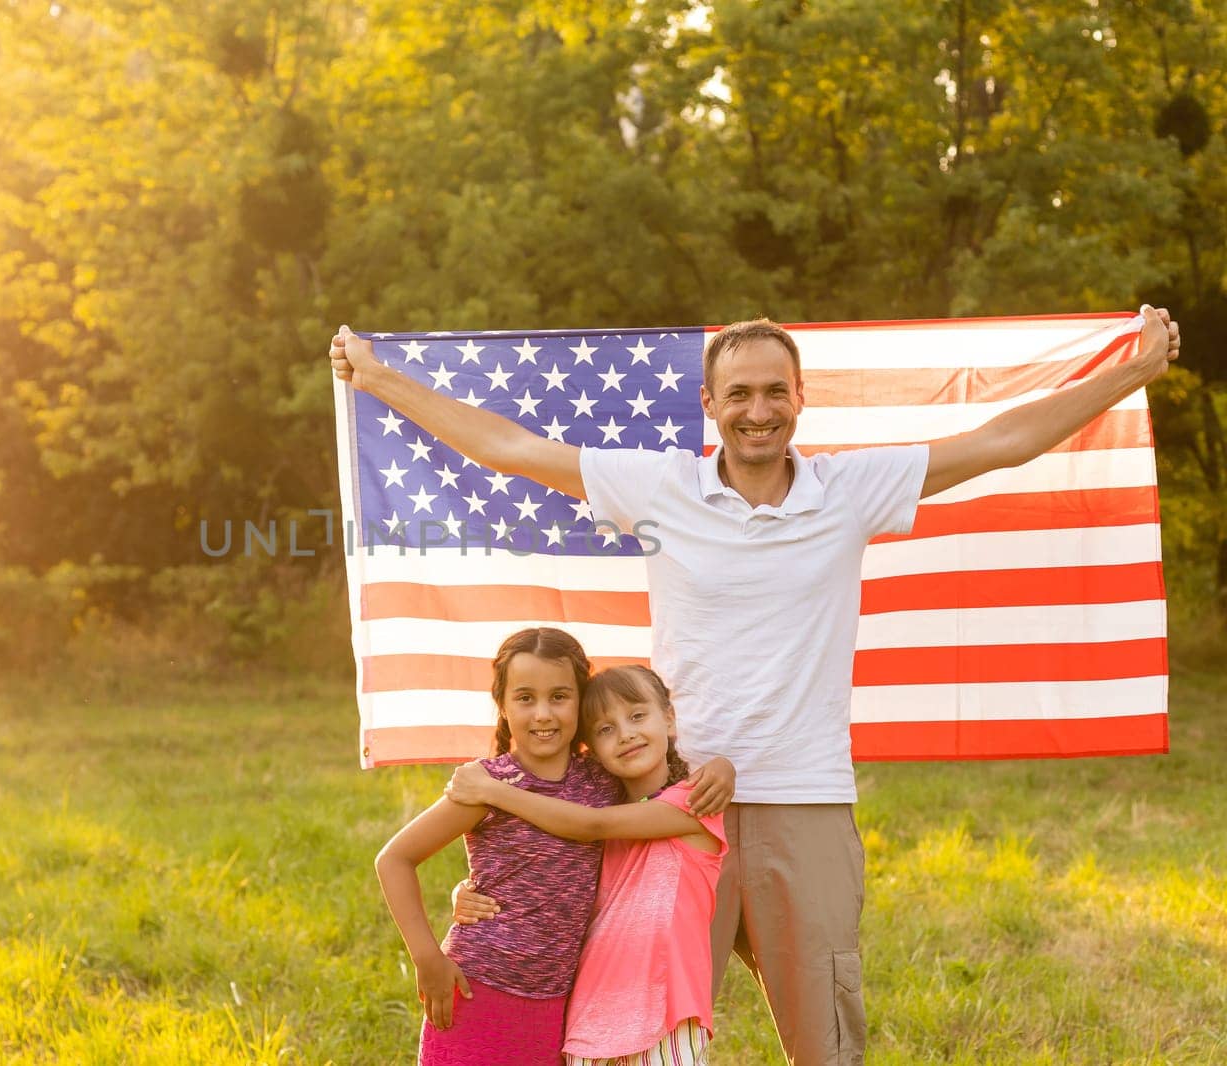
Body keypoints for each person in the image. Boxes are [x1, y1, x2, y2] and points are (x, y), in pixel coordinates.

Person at [333, 306, 1181, 1066]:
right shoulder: (659, 486)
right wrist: (378, 378)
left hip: (802, 802)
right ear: (711, 405)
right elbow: (509, 449)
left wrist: (1133, 370)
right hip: (666, 808)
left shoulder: (851, 489)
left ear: (800, 398)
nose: (758, 409)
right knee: (637, 1035)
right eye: (738, 393)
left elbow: (1000, 441)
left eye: (776, 390)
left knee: (824, 1038)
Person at [445, 664, 727, 1066]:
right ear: (591, 748)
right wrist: (469, 891)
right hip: (590, 1021)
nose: (626, 734)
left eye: (637, 716)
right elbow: (549, 871)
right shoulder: (601, 813)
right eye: (605, 729)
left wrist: (492, 790)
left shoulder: (694, 804)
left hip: (666, 1014)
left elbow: (590, 825)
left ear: (668, 717)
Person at [374, 626, 621, 1066]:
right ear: (503, 707)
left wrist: (721, 769)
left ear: (582, 700)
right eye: (525, 698)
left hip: (561, 1001)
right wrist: (427, 958)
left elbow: (668, 783)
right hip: (478, 988)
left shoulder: (603, 780)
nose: (543, 713)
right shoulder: (487, 784)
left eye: (559, 696)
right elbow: (395, 859)